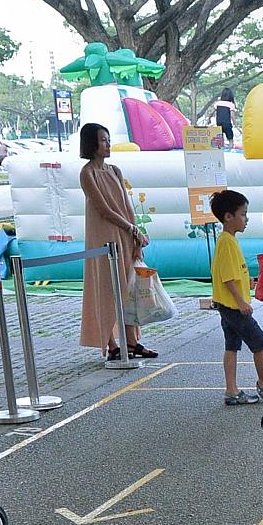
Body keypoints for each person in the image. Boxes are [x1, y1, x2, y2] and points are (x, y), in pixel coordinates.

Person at [78, 122, 157, 360]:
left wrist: (135, 234)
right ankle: (111, 343)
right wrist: (131, 227)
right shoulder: (87, 173)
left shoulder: (114, 170)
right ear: (92, 143)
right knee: (106, 288)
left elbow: (125, 205)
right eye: (103, 140)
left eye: (108, 139)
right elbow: (104, 209)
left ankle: (131, 341)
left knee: (129, 288)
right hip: (103, 238)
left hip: (124, 234)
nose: (107, 144)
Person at [210, 190, 263, 406]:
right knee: (260, 343)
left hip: (228, 305)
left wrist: (248, 282)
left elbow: (234, 273)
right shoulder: (227, 242)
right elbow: (228, 278)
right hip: (234, 307)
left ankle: (231, 391)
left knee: (232, 346)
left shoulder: (228, 240)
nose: (246, 219)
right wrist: (241, 302)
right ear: (229, 216)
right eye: (243, 214)